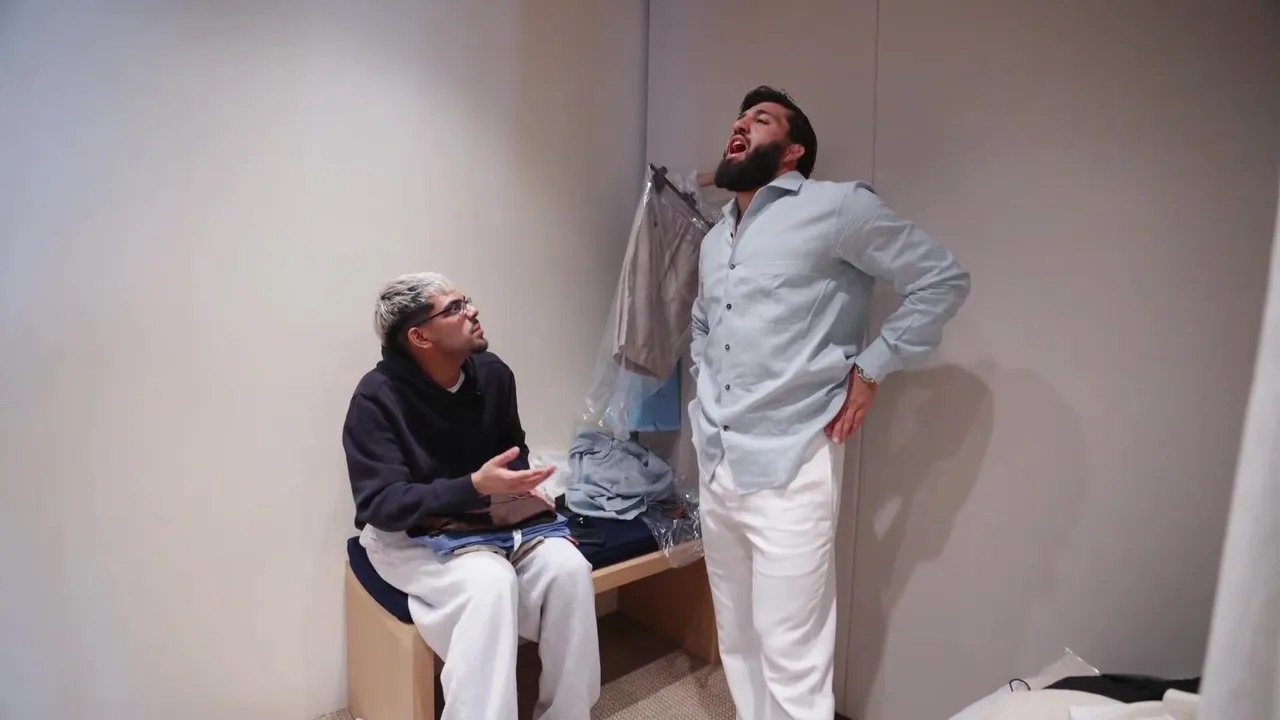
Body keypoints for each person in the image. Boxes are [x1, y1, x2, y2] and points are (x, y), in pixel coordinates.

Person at [689, 86, 972, 720]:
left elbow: (940, 279)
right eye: (740, 116)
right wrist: (703, 386)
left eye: (762, 119)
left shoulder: (839, 207)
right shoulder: (714, 239)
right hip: (717, 459)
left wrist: (872, 368)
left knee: (792, 651)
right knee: (738, 637)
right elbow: (704, 321)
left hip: (792, 462)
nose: (741, 123)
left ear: (793, 151)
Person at [342, 272, 600, 720]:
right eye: (455, 308)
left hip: (488, 520)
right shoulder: (376, 399)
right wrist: (474, 486)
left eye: (467, 301)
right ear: (420, 337)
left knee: (569, 568)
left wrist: (529, 497)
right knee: (489, 583)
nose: (473, 312)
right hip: (409, 535)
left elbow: (512, 452)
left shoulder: (494, 374)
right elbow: (381, 505)